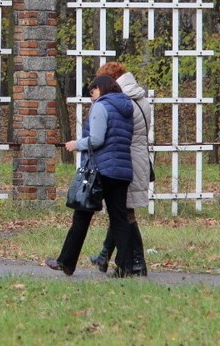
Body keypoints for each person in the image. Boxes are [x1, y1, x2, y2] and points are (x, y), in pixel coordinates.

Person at [45, 75, 135, 277]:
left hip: (100, 170)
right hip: (122, 170)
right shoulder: (126, 108)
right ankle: (126, 267)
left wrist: (76, 144)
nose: (91, 96)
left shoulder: (101, 107)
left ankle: (66, 262)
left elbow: (96, 139)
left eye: (92, 91)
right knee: (120, 219)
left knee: (81, 217)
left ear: (101, 88)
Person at [88, 62, 151, 276]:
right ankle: (106, 256)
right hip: (139, 156)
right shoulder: (141, 98)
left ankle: (137, 263)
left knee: (124, 214)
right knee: (121, 211)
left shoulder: (121, 101)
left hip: (126, 157)